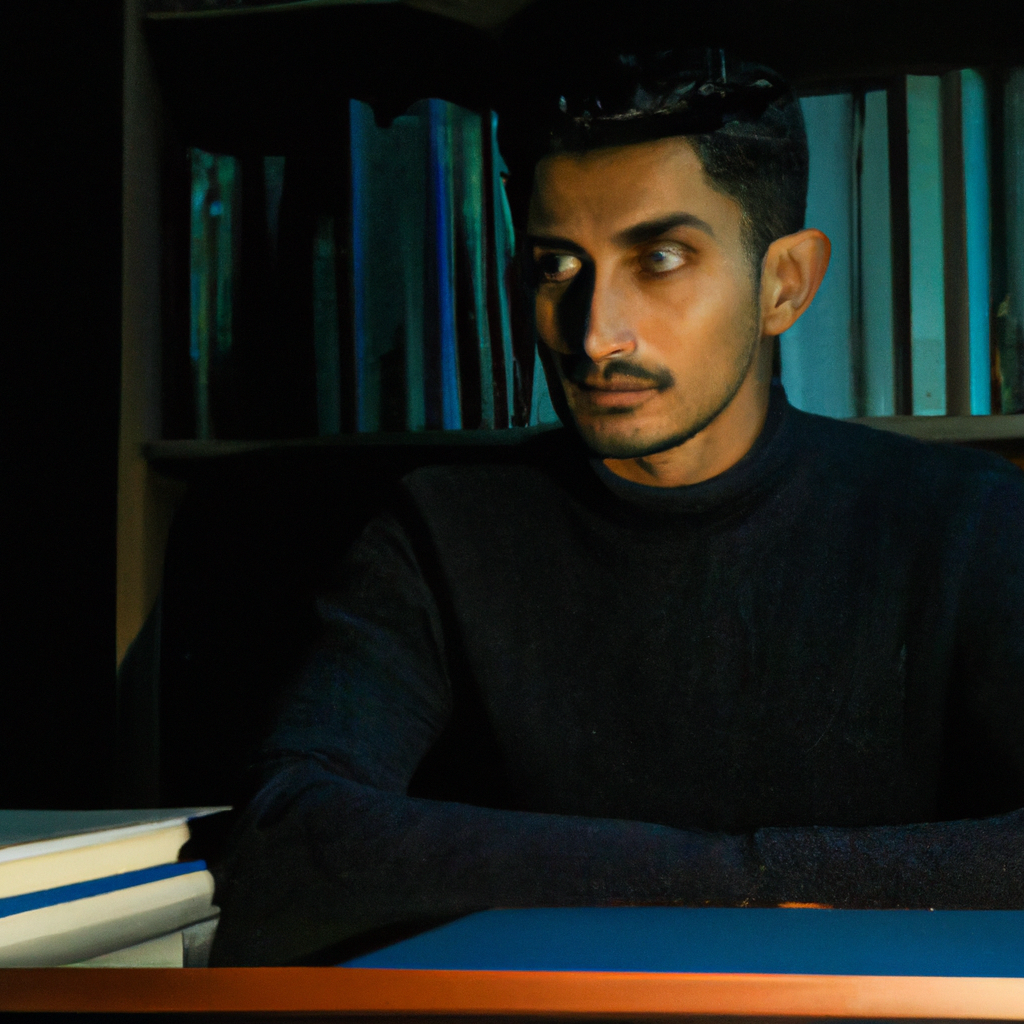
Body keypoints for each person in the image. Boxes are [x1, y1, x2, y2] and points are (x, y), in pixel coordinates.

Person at [206, 9, 1024, 966]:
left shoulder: (966, 522)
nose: (596, 334)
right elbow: (286, 837)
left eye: (661, 258)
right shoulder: (439, 532)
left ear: (786, 286)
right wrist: (754, 887)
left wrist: (727, 881)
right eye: (559, 265)